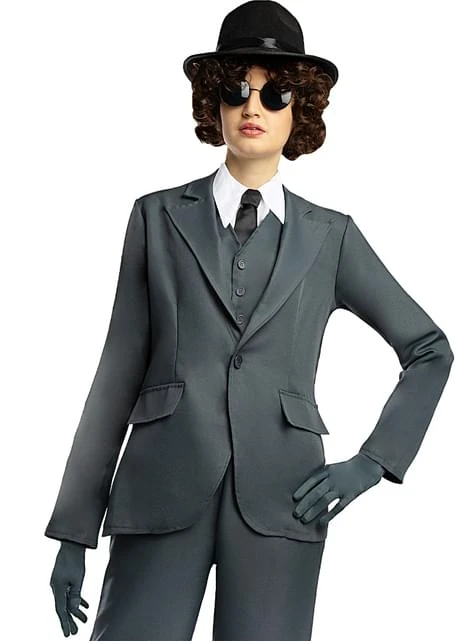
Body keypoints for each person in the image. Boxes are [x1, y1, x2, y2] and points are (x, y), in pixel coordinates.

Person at [45, 2, 454, 640]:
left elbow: (429, 349)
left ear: (301, 110)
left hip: (285, 498)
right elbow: (116, 373)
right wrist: (74, 531)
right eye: (236, 89)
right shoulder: (156, 218)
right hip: (160, 488)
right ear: (214, 103)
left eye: (275, 92)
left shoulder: (331, 237)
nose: (252, 107)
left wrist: (372, 463)